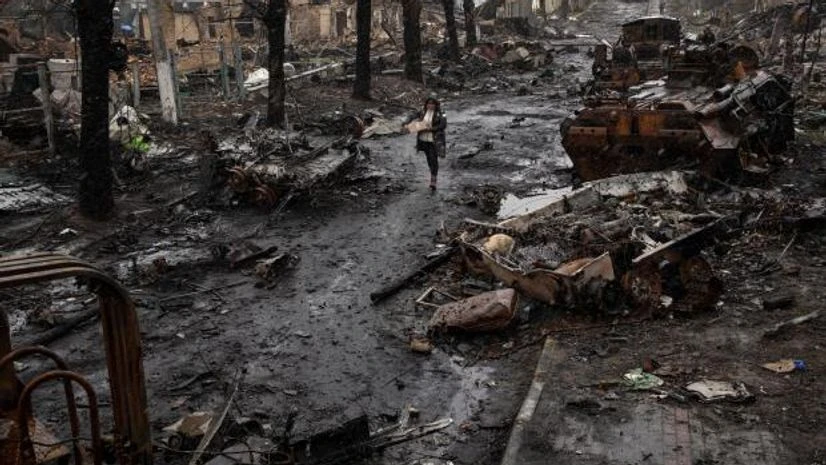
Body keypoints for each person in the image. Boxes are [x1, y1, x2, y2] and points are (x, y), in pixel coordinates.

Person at [405, 97, 447, 190]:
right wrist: (406, 122)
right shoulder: (423, 111)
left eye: (432, 104)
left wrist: (431, 129)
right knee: (429, 158)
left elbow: (443, 125)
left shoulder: (441, 113)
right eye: (429, 104)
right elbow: (412, 116)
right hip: (423, 139)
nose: (430, 106)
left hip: (434, 140)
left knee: (433, 159)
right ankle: (432, 173)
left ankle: (433, 179)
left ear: (436, 105)